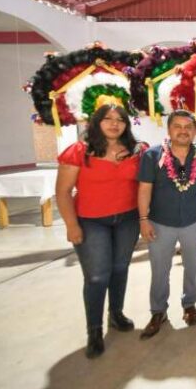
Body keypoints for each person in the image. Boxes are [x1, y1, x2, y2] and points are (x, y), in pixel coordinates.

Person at [55, 104, 146, 358]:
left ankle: (115, 314)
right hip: (90, 221)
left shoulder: (136, 151)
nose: (114, 124)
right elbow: (63, 192)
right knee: (96, 276)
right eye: (108, 119)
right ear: (97, 122)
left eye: (120, 120)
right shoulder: (79, 152)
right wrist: (71, 224)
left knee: (120, 268)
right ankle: (94, 330)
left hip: (127, 219)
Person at [138, 109, 196, 339]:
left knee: (192, 266)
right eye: (177, 126)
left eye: (188, 127)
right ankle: (158, 311)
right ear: (169, 129)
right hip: (161, 222)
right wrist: (143, 220)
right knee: (160, 269)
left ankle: (190, 304)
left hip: (193, 221)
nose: (183, 131)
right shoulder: (152, 155)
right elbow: (144, 189)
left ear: (194, 130)